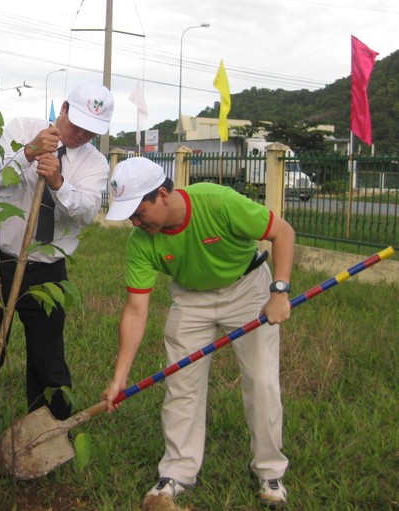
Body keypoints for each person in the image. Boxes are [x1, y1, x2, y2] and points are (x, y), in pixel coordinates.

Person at [101, 157, 294, 507]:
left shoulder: (218, 202)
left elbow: (283, 232)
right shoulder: (141, 242)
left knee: (262, 381)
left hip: (248, 289)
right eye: (128, 214)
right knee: (182, 384)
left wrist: (279, 291)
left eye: (138, 212)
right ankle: (177, 471)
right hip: (190, 298)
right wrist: (119, 377)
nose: (133, 221)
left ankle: (269, 470)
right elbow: (135, 310)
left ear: (161, 194)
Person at [0, 81, 114, 433]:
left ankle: (44, 431)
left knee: (48, 359)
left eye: (91, 131)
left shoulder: (95, 164)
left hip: (47, 270)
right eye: (76, 125)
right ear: (62, 109)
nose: (81, 135)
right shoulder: (21, 130)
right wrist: (27, 153)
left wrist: (59, 183)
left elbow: (87, 213)